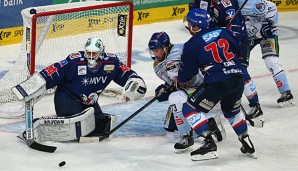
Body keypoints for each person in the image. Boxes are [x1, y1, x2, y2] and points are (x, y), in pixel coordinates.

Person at [12, 37, 147, 142]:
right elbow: (53, 71)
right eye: (88, 52)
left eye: (94, 53)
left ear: (101, 53)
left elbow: (125, 73)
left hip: (89, 102)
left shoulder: (111, 63)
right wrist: (33, 85)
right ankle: (38, 125)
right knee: (75, 128)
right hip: (67, 97)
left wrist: (135, 80)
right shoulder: (75, 61)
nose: (91, 56)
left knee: (101, 127)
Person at [176, 9, 256, 161]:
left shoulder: (192, 44)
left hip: (217, 80)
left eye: (190, 24)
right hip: (238, 77)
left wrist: (180, 81)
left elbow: (186, 74)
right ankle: (246, 140)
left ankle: (208, 143)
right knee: (232, 111)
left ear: (195, 27)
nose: (188, 27)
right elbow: (240, 49)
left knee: (189, 108)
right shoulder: (225, 32)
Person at [188, 0, 264, 127]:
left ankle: (255, 105)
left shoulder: (226, 4)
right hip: (214, 43)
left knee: (240, 71)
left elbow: (236, 30)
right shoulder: (201, 2)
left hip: (234, 41)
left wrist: (230, 46)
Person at [148, 32, 226, 153]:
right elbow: (173, 82)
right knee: (172, 135)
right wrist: (164, 89)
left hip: (202, 87)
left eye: (158, 50)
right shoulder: (157, 65)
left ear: (166, 47)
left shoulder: (181, 49)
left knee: (175, 97)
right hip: (185, 91)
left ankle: (187, 136)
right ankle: (209, 125)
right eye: (153, 51)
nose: (156, 54)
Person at [239, 0, 294, 107]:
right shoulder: (236, 3)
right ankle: (234, 94)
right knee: (238, 64)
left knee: (272, 61)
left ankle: (286, 92)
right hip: (246, 37)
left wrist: (268, 23)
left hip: (265, 36)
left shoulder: (263, 4)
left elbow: (272, 7)